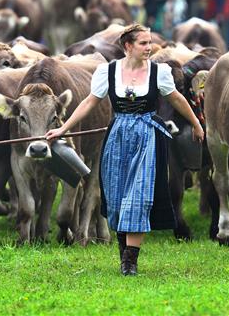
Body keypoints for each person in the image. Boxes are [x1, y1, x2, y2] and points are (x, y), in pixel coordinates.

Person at [45, 24, 204, 276]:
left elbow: (176, 98)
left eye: (150, 42)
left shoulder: (158, 72)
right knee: (118, 200)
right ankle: (124, 256)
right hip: (117, 135)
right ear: (128, 46)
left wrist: (196, 123)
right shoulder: (107, 72)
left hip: (146, 136)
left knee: (139, 198)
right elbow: (89, 102)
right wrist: (63, 128)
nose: (149, 47)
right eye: (143, 43)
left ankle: (130, 263)